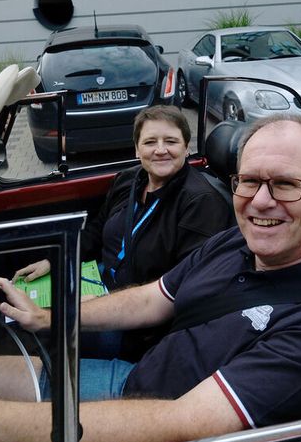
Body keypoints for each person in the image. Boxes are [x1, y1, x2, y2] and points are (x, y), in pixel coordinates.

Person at [0, 114, 301, 442]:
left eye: (284, 184)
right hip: (138, 378)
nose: (260, 201)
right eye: (248, 180)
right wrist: (48, 316)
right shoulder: (236, 242)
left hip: (161, 417)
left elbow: (182, 424)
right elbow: (153, 299)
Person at [14, 104, 233, 360]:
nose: (160, 150)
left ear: (186, 147)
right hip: (101, 281)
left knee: (44, 333)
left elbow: (184, 290)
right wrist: (57, 260)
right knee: (22, 314)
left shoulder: (201, 204)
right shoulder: (128, 180)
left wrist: (99, 305)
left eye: (171, 141)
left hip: (140, 326)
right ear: (137, 149)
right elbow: (96, 231)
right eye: (150, 141)